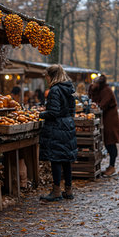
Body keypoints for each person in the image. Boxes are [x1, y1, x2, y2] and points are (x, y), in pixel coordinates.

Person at [39, 64, 77, 201]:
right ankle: (68, 190)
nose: (46, 79)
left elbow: (54, 112)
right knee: (66, 160)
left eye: (46, 76)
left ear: (51, 76)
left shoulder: (55, 90)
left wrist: (41, 114)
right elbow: (73, 109)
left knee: (56, 159)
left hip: (57, 127)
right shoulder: (68, 88)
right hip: (68, 125)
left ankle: (56, 191)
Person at [88, 74, 119, 177]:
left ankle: (112, 166)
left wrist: (95, 106)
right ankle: (110, 166)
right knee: (107, 142)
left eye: (95, 83)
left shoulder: (106, 91)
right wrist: (91, 89)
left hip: (110, 120)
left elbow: (102, 105)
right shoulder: (100, 90)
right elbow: (92, 98)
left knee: (110, 141)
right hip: (105, 118)